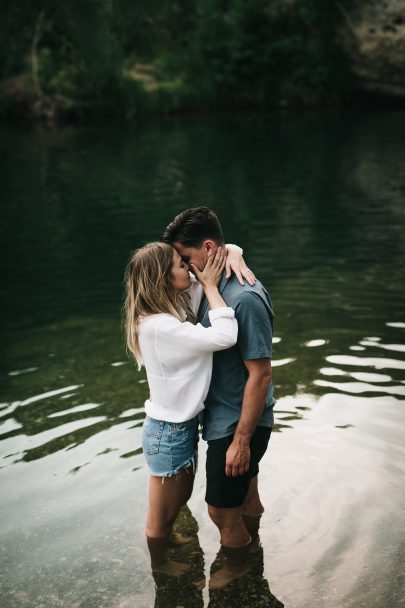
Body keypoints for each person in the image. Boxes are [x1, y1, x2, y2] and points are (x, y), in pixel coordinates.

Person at [124, 240, 254, 576]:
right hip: (167, 434)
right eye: (181, 266)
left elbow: (209, 266)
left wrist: (234, 252)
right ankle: (160, 564)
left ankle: (170, 545)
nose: (190, 270)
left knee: (177, 503)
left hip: (178, 428)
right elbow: (225, 334)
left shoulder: (172, 309)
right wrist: (211, 285)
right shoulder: (160, 326)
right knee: (161, 517)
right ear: (163, 280)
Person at [161, 207, 275, 588]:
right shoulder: (212, 281)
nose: (187, 268)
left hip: (238, 420)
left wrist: (241, 441)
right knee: (246, 497)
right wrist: (233, 251)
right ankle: (253, 547)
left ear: (208, 248)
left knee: (219, 510)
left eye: (188, 259)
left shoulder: (243, 298)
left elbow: (261, 373)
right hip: (225, 415)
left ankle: (239, 573)